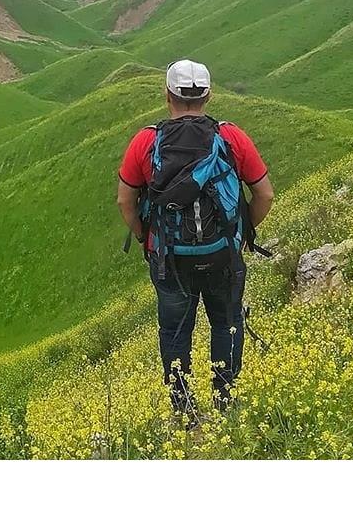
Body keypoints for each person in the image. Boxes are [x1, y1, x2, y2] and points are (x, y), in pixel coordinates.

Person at [117, 58, 274, 418]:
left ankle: (184, 409)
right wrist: (242, 232)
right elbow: (264, 193)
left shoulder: (146, 141)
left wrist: (147, 238)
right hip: (223, 255)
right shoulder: (230, 137)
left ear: (167, 95)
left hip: (170, 258)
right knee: (226, 322)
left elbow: (126, 201)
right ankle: (225, 402)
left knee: (174, 330)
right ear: (208, 95)